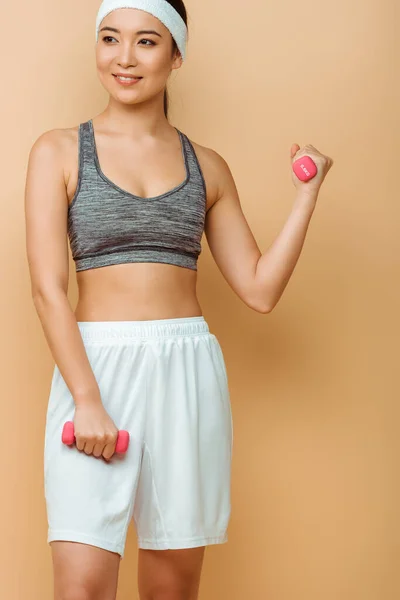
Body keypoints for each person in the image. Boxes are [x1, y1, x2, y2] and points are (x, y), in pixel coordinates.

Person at [24, 0, 333, 598]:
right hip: (95, 368)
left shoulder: (207, 166)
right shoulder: (58, 151)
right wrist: (86, 401)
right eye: (110, 39)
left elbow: (260, 289)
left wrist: (307, 196)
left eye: (146, 42)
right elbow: (47, 289)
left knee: (171, 591)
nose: (124, 58)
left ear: (177, 55)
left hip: (186, 371)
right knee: (81, 588)